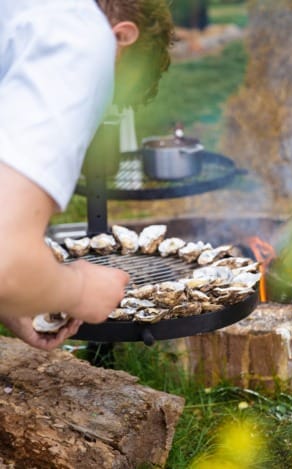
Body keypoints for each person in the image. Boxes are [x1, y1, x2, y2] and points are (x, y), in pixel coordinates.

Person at [0, 0, 174, 350]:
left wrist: (17, 301)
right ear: (121, 36)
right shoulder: (79, 36)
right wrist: (78, 289)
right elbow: (7, 261)